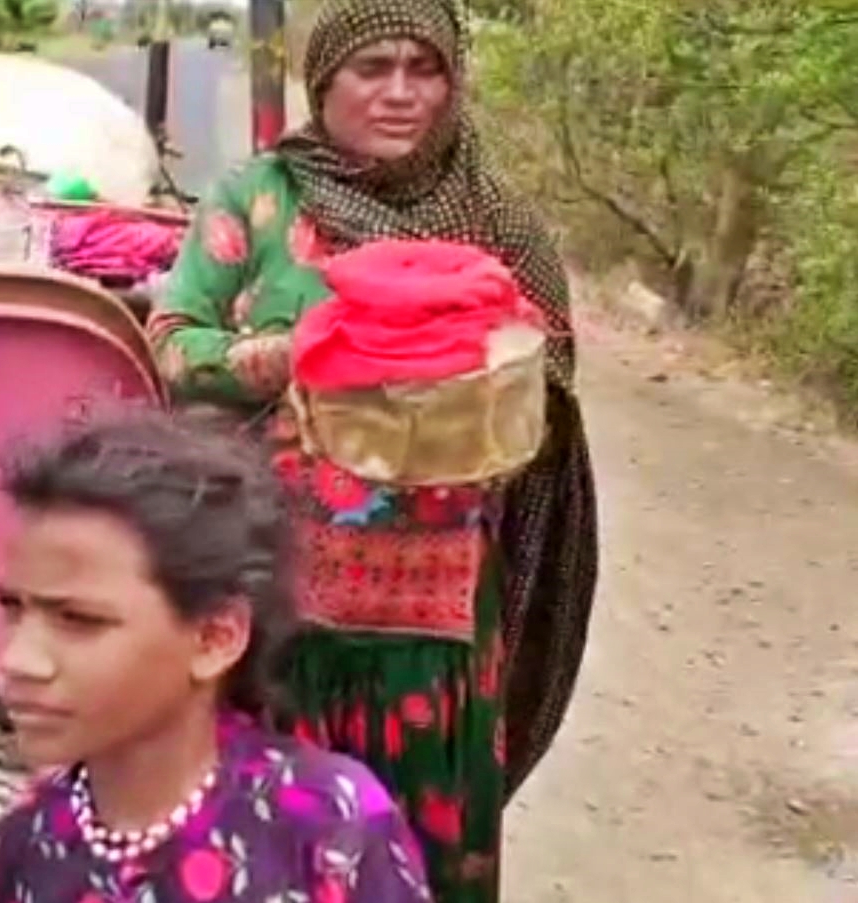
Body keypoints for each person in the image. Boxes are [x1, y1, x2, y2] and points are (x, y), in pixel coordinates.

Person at [147, 0, 598, 899]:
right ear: (327, 81)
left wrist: (481, 388)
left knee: (420, 858)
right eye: (371, 68)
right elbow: (171, 343)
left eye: (422, 68)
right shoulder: (259, 198)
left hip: (433, 629)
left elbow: (549, 386)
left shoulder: (493, 221)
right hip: (277, 609)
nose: (399, 92)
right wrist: (283, 356)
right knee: (266, 847)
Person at [0, 409, 432, 903]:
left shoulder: (329, 828)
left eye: (79, 620)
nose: (18, 660)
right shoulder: (22, 846)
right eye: (13, 609)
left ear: (215, 637)